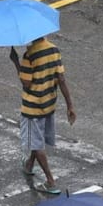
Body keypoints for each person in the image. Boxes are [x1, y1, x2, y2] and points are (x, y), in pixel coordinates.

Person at [9, 36, 75, 194]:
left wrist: (16, 62)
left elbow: (26, 83)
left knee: (35, 143)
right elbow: (61, 79)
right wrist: (70, 105)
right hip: (49, 103)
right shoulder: (54, 50)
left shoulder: (29, 55)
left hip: (32, 108)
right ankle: (29, 166)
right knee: (36, 138)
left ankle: (50, 181)